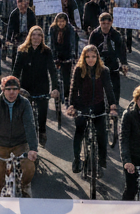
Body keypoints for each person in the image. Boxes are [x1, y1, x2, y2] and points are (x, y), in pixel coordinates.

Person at [0, 76, 38, 198]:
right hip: (0, 143)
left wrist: (33, 148)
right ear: (2, 89)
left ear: (19, 90)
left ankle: (24, 185)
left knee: (29, 167)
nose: (12, 92)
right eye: (8, 89)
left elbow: (30, 126)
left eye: (15, 89)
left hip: (20, 144)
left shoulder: (25, 103)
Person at [66, 45, 117, 174]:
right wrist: (71, 105)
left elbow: (109, 89)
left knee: (102, 134)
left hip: (98, 106)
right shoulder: (79, 70)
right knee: (79, 132)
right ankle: (77, 159)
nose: (90, 59)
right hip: (82, 106)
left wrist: (112, 106)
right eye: (87, 57)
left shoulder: (103, 70)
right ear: (83, 57)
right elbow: (73, 89)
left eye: (93, 57)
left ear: (97, 57)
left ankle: (101, 161)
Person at [13, 25, 61, 146]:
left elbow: (52, 71)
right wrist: (13, 85)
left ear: (42, 38)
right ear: (30, 36)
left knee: (42, 111)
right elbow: (16, 71)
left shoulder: (47, 52)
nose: (36, 38)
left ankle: (42, 131)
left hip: (41, 87)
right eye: (34, 35)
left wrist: (55, 88)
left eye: (39, 35)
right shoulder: (22, 51)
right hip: (25, 87)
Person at [88, 11, 128, 108]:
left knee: (115, 84)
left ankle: (115, 104)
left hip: (112, 61)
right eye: (103, 23)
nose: (105, 26)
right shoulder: (94, 34)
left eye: (108, 23)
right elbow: (90, 50)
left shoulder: (116, 35)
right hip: (98, 62)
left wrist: (124, 63)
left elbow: (122, 50)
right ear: (99, 22)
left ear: (111, 23)